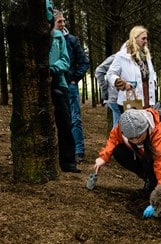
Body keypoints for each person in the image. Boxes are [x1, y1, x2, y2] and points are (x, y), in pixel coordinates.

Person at [94, 108, 161, 194]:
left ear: (146, 127)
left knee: (159, 170)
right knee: (118, 151)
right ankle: (150, 179)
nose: (136, 141)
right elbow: (114, 138)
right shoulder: (124, 126)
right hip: (150, 154)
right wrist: (103, 157)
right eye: (131, 138)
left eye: (139, 136)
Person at [54, 13, 89, 163]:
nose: (62, 23)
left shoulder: (72, 40)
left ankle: (78, 151)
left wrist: (75, 79)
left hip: (69, 85)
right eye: (59, 21)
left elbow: (84, 62)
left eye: (63, 20)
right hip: (54, 84)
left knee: (74, 118)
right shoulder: (48, 40)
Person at [50, 10, 80, 173]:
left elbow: (65, 61)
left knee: (65, 121)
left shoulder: (59, 37)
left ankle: (68, 161)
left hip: (59, 82)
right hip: (38, 84)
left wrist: (52, 69)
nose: (63, 24)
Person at [107, 26, 157, 111]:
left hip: (147, 99)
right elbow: (110, 74)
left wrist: (154, 81)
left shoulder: (146, 56)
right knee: (131, 123)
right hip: (130, 100)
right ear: (135, 38)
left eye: (146, 39)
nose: (146, 41)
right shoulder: (122, 56)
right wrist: (122, 84)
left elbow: (151, 73)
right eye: (143, 39)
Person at [95, 54, 121, 129]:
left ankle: (114, 140)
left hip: (120, 97)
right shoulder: (117, 57)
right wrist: (104, 89)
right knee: (121, 124)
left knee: (118, 122)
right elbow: (99, 71)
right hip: (115, 97)